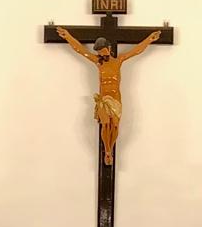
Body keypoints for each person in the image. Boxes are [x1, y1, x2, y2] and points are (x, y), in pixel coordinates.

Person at [54, 26, 163, 164]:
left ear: (109, 48)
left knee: (115, 125)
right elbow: (80, 50)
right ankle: (107, 151)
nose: (100, 53)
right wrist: (68, 36)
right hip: (104, 99)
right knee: (106, 124)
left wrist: (149, 40)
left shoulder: (119, 61)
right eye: (98, 51)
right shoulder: (98, 63)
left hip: (116, 98)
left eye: (102, 50)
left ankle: (110, 147)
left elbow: (136, 50)